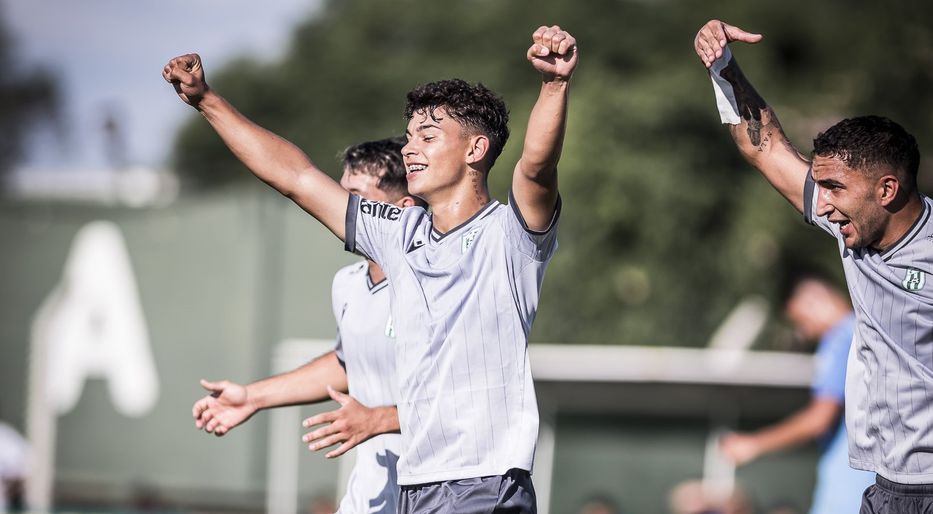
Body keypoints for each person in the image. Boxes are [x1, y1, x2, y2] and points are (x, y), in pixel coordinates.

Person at [165, 24, 577, 512]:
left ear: (475, 150)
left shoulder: (510, 236)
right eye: (409, 137)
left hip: (485, 483)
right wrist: (206, 100)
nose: (409, 149)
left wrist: (554, 84)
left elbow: (536, 168)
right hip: (416, 486)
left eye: (428, 136)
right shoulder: (397, 235)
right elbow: (296, 177)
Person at [694, 18, 933, 513]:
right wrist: (724, 68)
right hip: (886, 487)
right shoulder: (851, 230)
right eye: (820, 187)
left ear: (887, 190)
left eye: (835, 189)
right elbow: (764, 146)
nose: (821, 205)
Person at [191, 137, 419, 513]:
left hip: (439, 498)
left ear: (403, 209)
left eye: (355, 197)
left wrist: (379, 419)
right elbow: (347, 364)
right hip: (368, 501)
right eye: (340, 191)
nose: (339, 204)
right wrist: (253, 396)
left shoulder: (435, 283)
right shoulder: (347, 283)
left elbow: (467, 402)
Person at [720, 277, 875, 514]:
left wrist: (752, 445)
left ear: (814, 297)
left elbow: (818, 420)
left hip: (849, 493)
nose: (803, 332)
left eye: (800, 321)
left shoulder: (840, 338)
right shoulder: (872, 333)